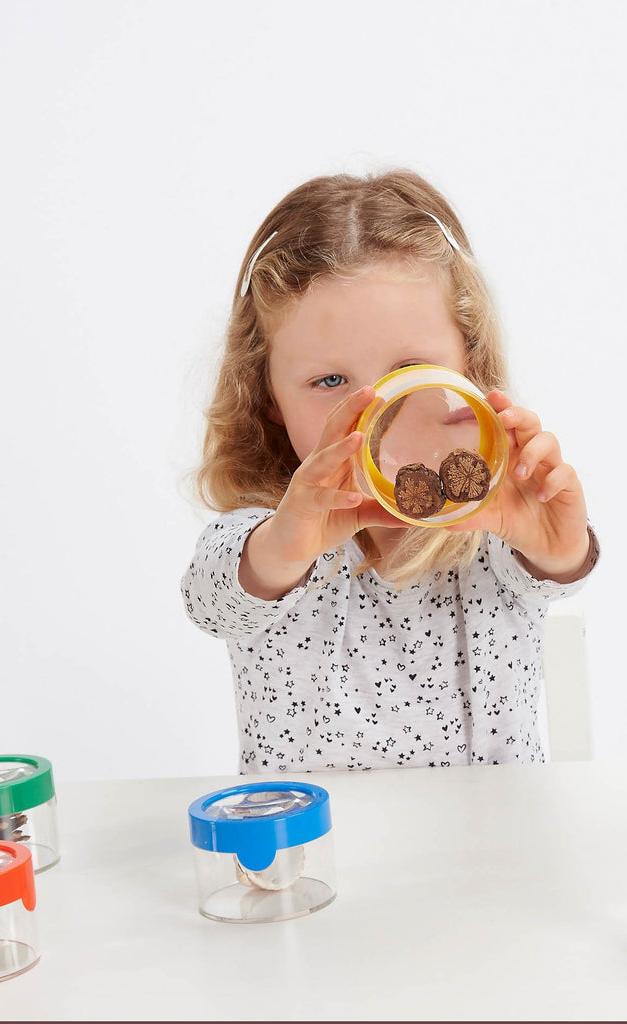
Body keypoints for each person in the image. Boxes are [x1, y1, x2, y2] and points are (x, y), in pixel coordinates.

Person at [181, 169, 598, 773]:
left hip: (489, 850)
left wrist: (559, 546)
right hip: (318, 855)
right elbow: (213, 599)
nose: (377, 410)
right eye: (330, 381)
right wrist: (283, 545)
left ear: (467, 370)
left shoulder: (494, 523)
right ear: (267, 396)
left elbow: (553, 573)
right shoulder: (266, 534)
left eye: (410, 370)